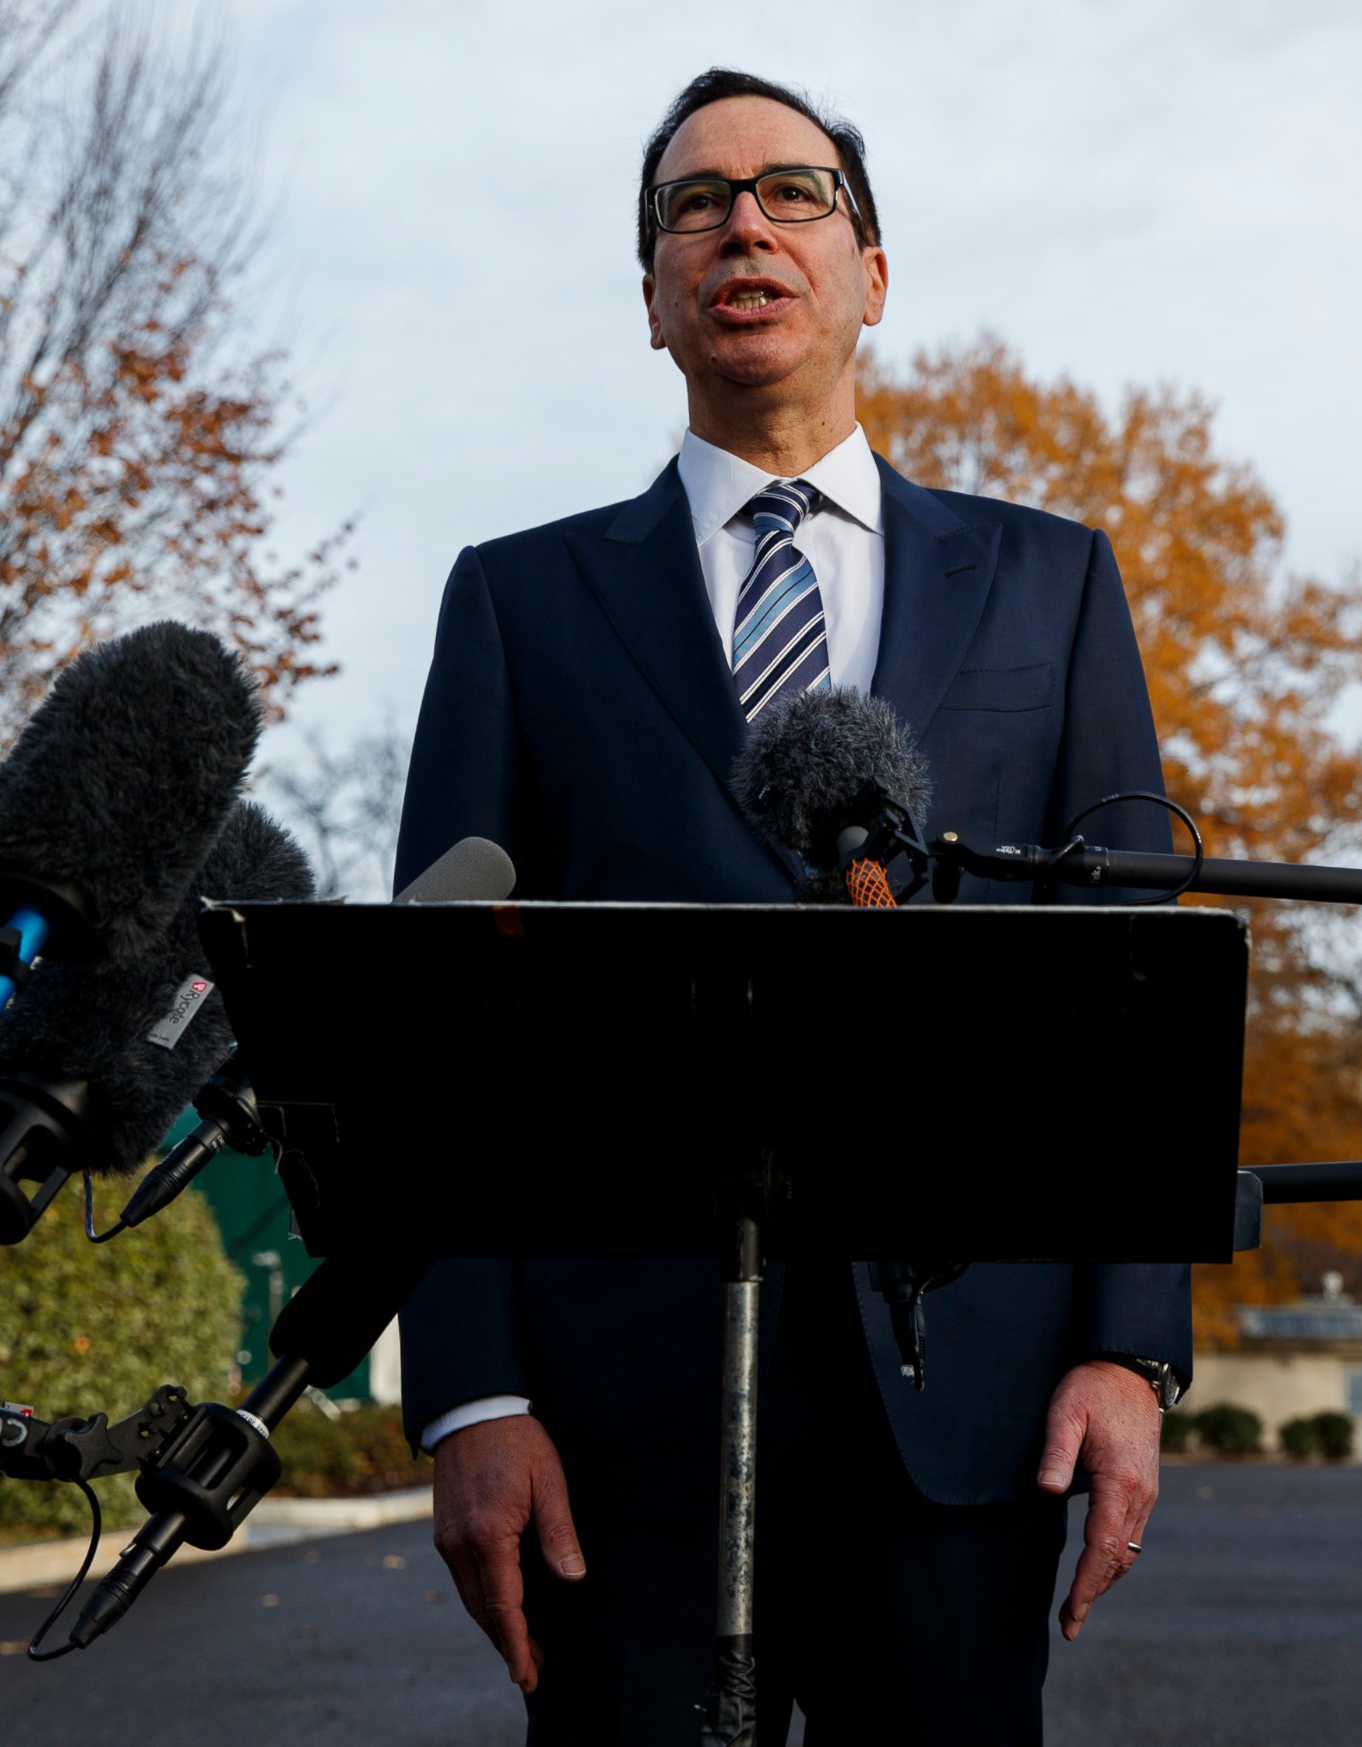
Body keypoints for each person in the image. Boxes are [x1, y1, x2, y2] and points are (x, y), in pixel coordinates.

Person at [393, 68, 1191, 1744]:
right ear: (652, 300)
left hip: (964, 1407)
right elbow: (439, 1016)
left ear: (873, 274)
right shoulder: (519, 603)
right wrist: (471, 1383)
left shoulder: (1053, 588)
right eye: (694, 203)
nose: (741, 223)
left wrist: (1133, 1344)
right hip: (618, 1426)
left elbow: (1132, 994)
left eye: (791, 192)